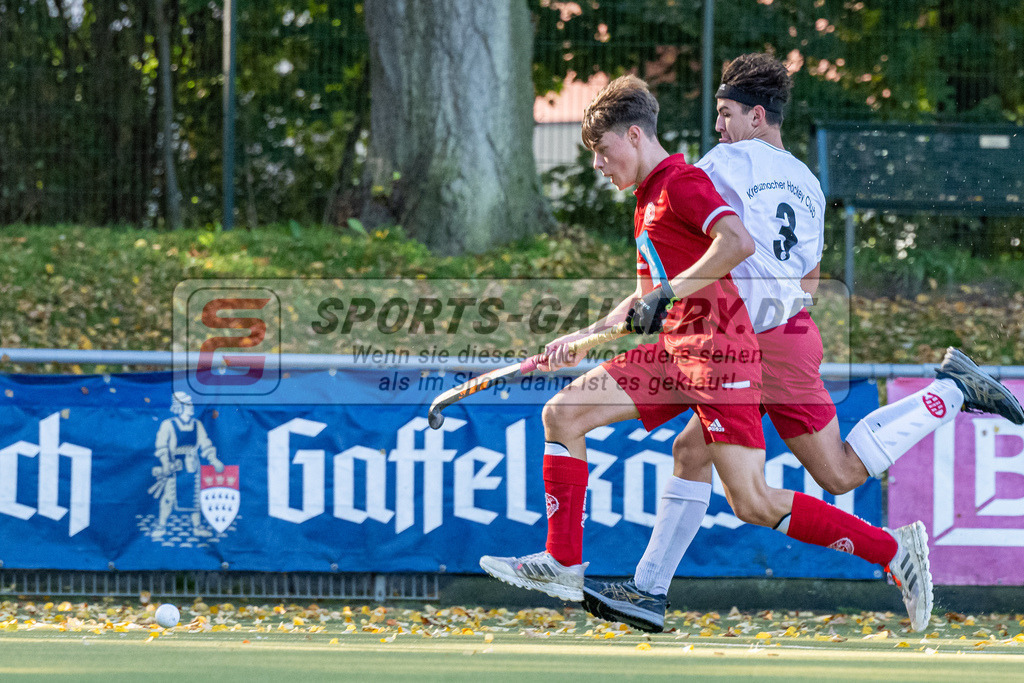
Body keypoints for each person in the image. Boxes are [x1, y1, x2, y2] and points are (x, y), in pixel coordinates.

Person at [478, 74, 950, 628]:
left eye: (603, 152)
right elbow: (644, 298)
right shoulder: (648, 200)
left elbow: (737, 242)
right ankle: (565, 564)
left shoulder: (683, 180)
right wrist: (578, 340)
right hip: (679, 349)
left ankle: (891, 551)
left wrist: (669, 292)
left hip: (720, 353)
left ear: (634, 135)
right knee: (563, 413)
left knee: (753, 499)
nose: (600, 166)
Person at [579, 53, 1024, 634]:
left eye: (727, 113)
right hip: (786, 332)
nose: (719, 126)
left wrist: (668, 301)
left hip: (753, 342)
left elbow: (699, 236)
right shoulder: (809, 183)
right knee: (702, 452)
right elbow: (809, 279)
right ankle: (648, 590)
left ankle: (950, 399)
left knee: (808, 481)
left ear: (757, 116)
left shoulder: (722, 162)